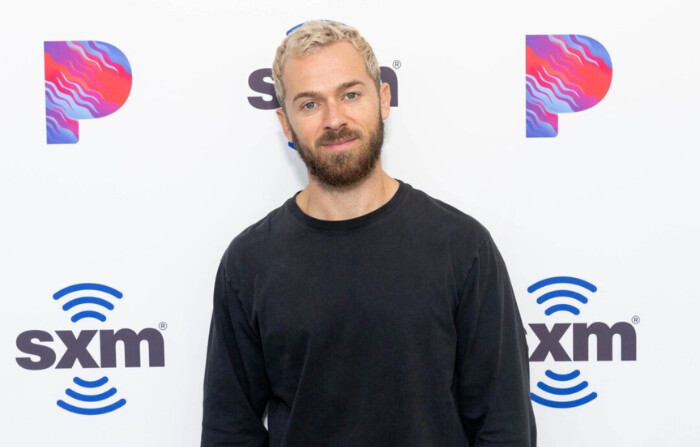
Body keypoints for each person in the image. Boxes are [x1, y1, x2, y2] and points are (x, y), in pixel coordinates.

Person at [201, 20, 536, 447]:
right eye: (309, 104)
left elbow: (504, 424)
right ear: (286, 124)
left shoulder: (462, 248)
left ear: (383, 99)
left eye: (350, 94)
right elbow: (230, 431)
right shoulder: (248, 264)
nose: (334, 119)